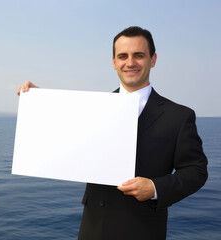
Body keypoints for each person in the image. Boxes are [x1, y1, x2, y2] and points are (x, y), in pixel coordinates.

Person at [16, 26, 208, 240]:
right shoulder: (93, 109)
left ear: (153, 60)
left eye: (139, 55)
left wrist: (155, 187)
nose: (130, 63)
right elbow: (63, 133)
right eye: (122, 56)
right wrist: (39, 101)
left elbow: (196, 170)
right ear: (114, 62)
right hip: (93, 227)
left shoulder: (178, 116)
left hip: (143, 230)